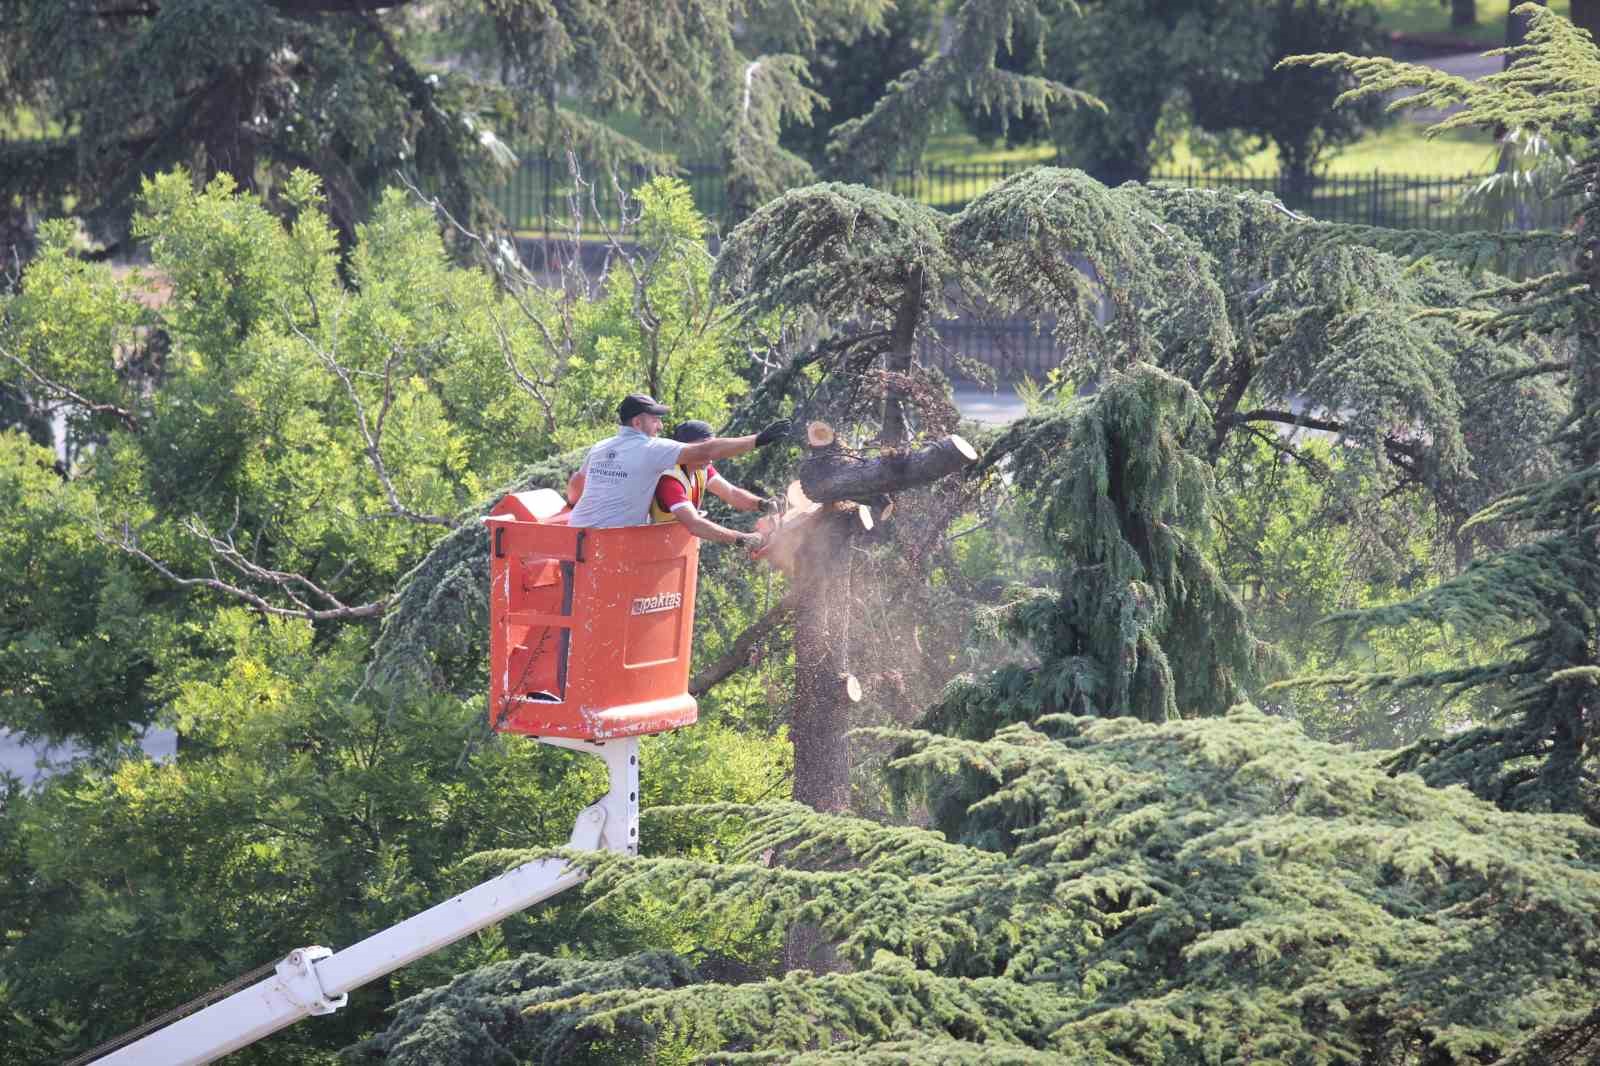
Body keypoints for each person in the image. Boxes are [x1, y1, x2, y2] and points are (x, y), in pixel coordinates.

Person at [566, 393, 789, 533]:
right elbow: (707, 450)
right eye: (655, 419)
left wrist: (763, 504)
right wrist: (758, 440)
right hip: (615, 542)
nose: (660, 427)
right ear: (637, 422)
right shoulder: (655, 453)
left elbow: (576, 487)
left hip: (575, 534)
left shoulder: (600, 447)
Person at [647, 420, 777, 549]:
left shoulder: (701, 467)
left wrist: (764, 504)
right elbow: (695, 524)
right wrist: (742, 539)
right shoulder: (670, 481)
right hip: (658, 553)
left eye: (712, 447)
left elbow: (732, 493)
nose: (711, 453)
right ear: (685, 447)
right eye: (704, 447)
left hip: (681, 552)